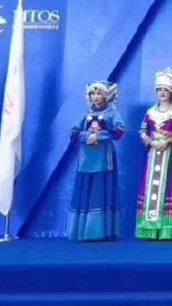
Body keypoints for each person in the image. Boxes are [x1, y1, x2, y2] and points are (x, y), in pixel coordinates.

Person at [136, 67, 172, 240]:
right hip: (152, 155)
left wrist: (169, 141)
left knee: (168, 187)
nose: (162, 93)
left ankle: (166, 230)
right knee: (150, 188)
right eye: (159, 89)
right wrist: (150, 141)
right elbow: (142, 130)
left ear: (171, 92)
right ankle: (149, 229)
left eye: (165, 90)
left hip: (169, 155)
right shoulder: (150, 112)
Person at [68, 81, 125, 241]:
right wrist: (88, 136)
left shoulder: (112, 113)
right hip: (86, 158)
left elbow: (120, 131)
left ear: (106, 96)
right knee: (86, 189)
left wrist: (99, 136)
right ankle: (83, 230)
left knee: (101, 190)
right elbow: (73, 133)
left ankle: (102, 231)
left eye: (99, 93)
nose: (95, 97)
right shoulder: (85, 114)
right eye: (93, 93)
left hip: (104, 158)